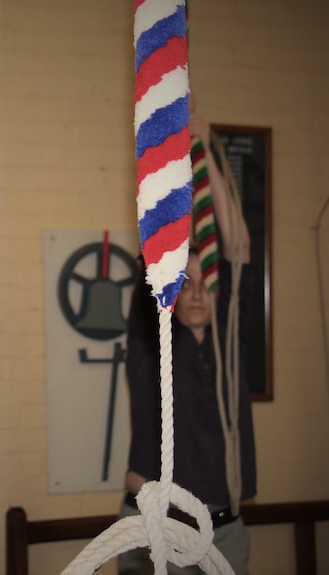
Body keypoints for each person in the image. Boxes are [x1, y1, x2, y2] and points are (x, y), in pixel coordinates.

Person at [118, 110, 257, 575]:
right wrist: (170, 150)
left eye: (205, 281)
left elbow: (237, 247)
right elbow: (153, 264)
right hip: (155, 525)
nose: (195, 292)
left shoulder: (228, 343)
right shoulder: (151, 338)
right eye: (185, 282)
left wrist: (206, 150)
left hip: (224, 529)